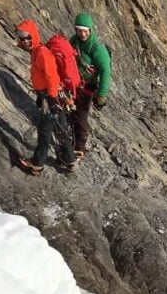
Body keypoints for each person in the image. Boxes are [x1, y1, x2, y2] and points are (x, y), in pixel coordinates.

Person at [14, 20, 76, 175]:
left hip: (51, 97)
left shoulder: (42, 53)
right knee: (61, 129)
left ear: (34, 35)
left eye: (27, 37)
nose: (25, 40)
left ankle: (37, 164)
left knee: (44, 131)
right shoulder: (36, 50)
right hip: (52, 96)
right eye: (21, 37)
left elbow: (52, 78)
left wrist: (51, 99)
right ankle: (70, 161)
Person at [69, 12, 111, 157]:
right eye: (79, 29)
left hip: (87, 86)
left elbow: (106, 71)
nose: (82, 33)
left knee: (80, 115)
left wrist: (102, 95)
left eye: (84, 30)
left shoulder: (97, 49)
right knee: (70, 109)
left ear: (90, 30)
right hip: (73, 82)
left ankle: (79, 147)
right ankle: (70, 136)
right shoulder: (74, 41)